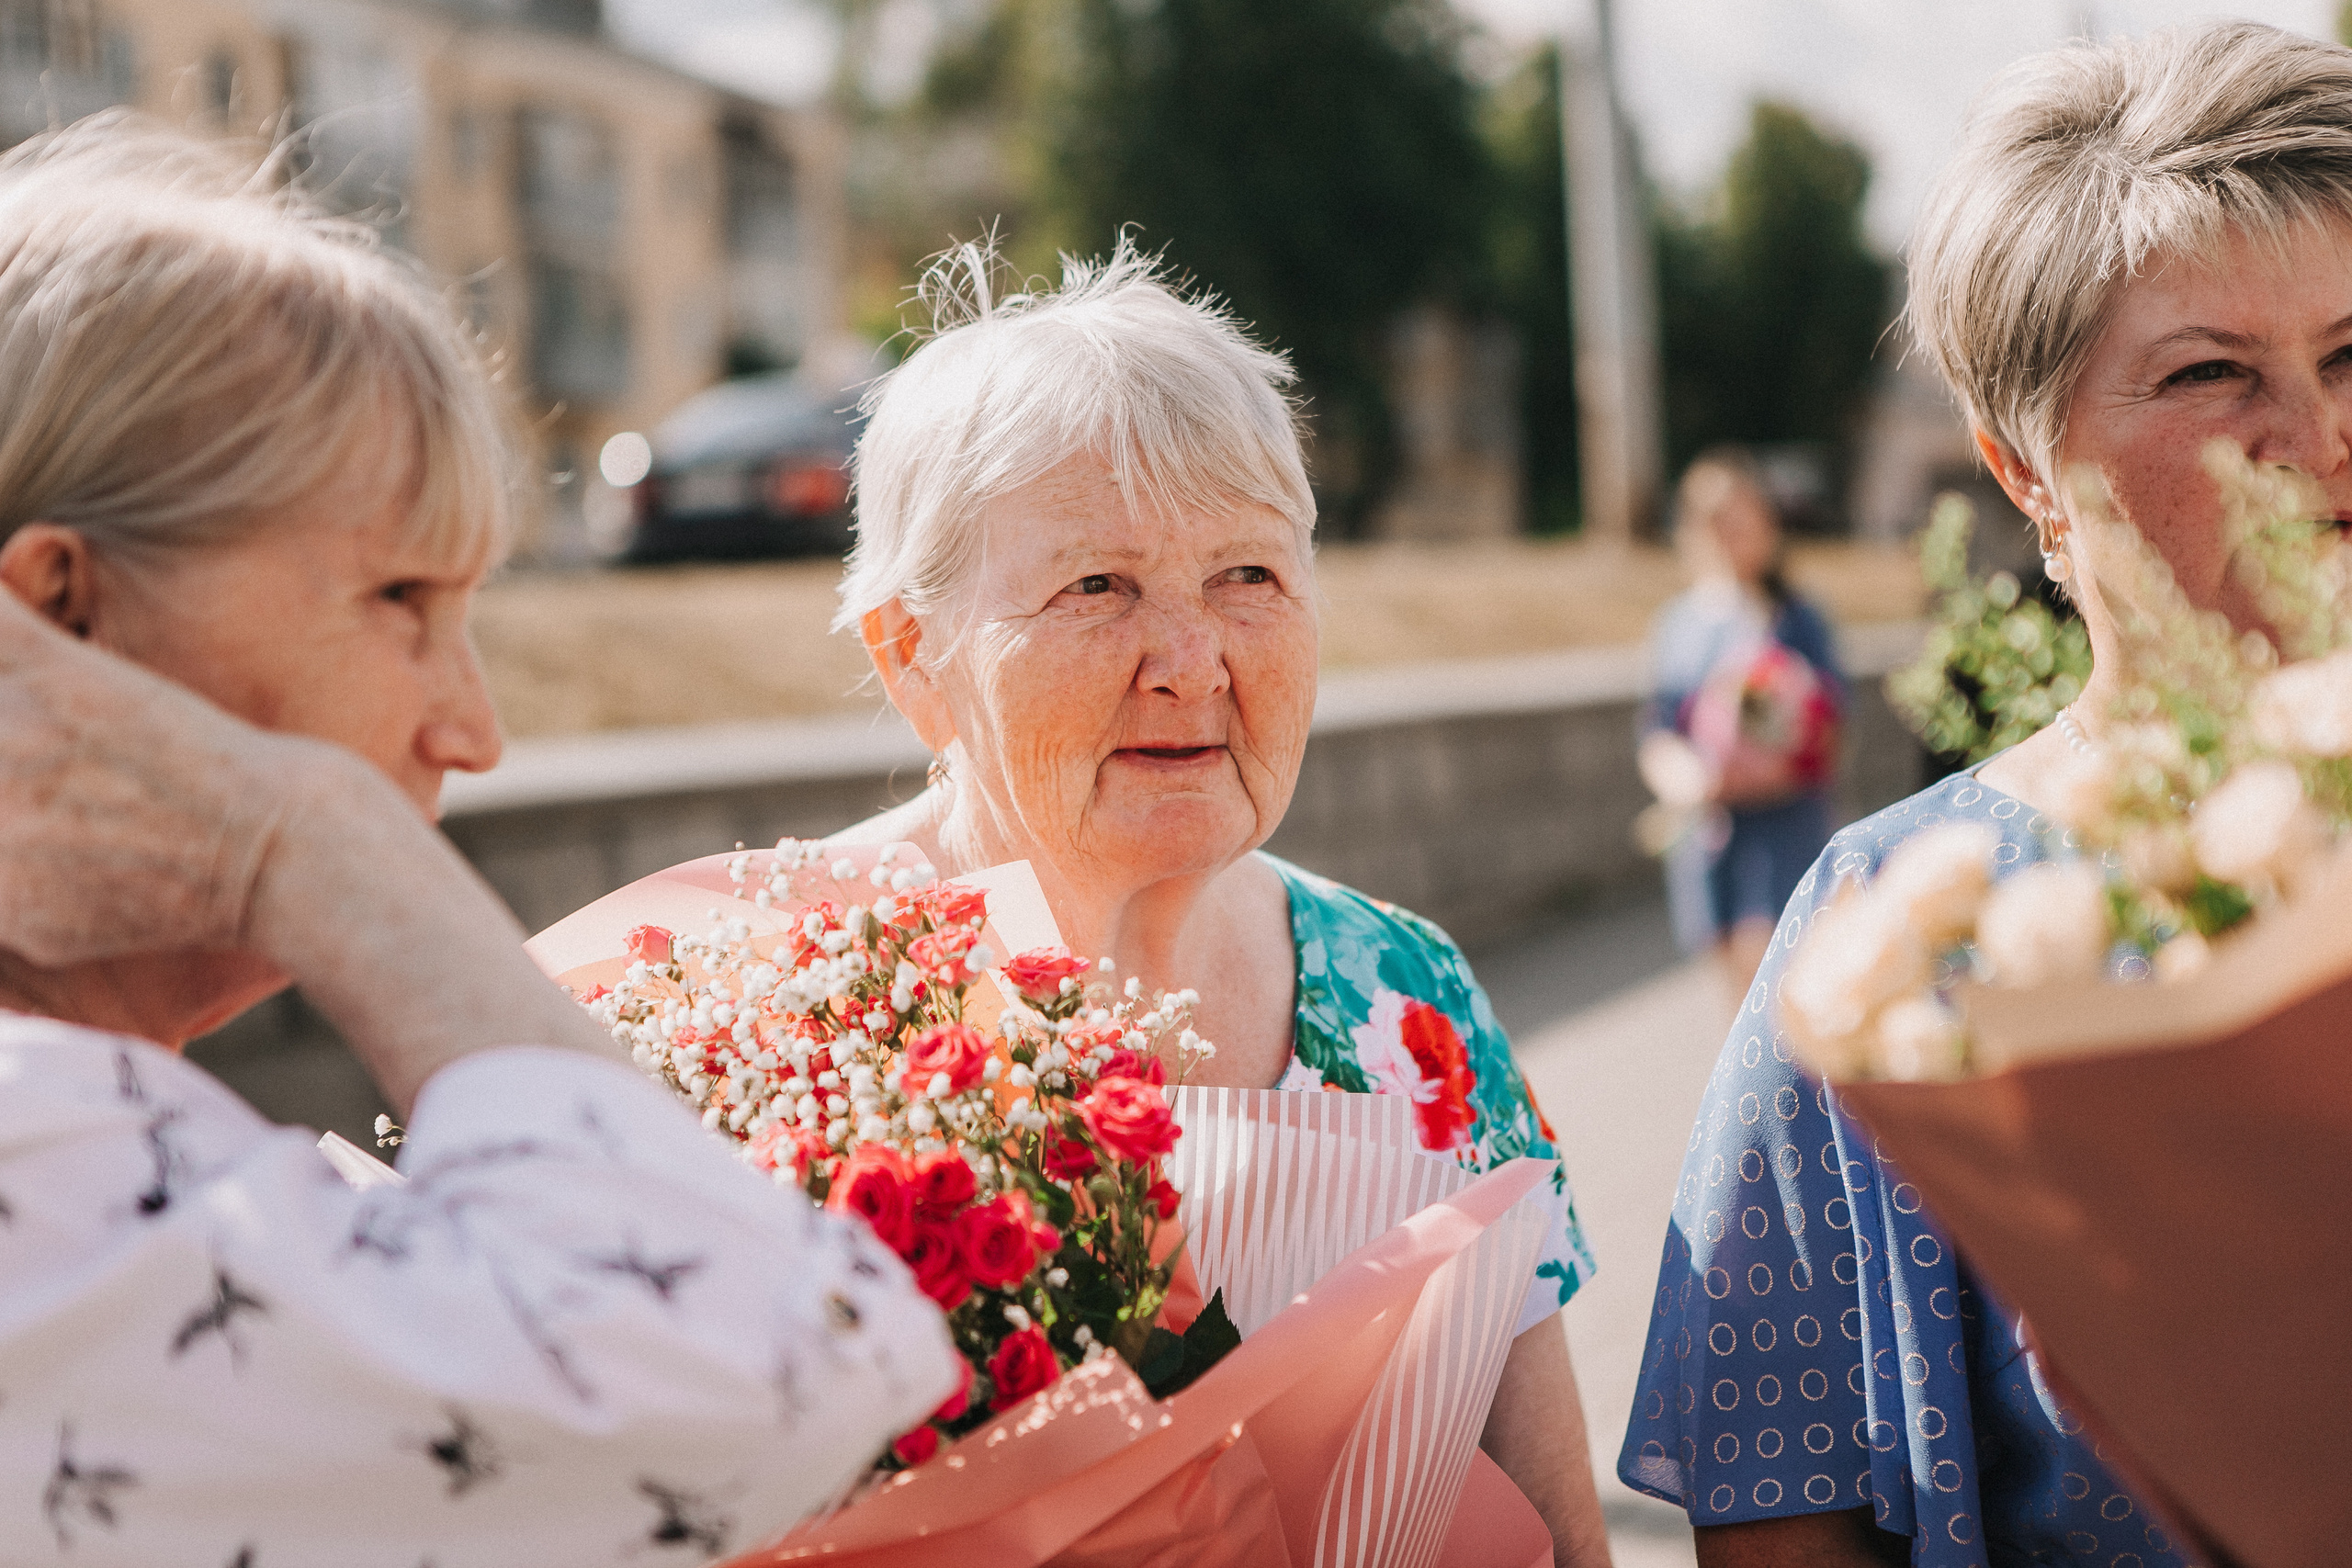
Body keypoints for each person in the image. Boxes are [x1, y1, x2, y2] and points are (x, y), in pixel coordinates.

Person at [0, 117, 956, 1566]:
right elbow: (773, 1357)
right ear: (64, 620)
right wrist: (308, 840)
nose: (471, 726)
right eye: (399, 598)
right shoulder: (46, 1156)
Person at [1620, 22, 2352, 1566]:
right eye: (2214, 371)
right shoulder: (1897, 930)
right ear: (2021, 467)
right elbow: (1783, 1518)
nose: (2321, 436)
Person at [823, 239, 1613, 1566]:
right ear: (916, 657)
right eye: (1097, 585)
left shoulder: (1408, 992)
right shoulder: (779, 1003)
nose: (1193, 663)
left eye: (1250, 575)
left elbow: (1559, 1534)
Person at [1640, 450, 1844, 998]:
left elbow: (1830, 721)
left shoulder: (1797, 618)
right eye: (1714, 521)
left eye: (1740, 518)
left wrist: (1772, 765)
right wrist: (1683, 776)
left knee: (1782, 980)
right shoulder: (1680, 624)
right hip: (1711, 833)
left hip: (1785, 825)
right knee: (1734, 991)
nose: (1728, 535)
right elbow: (1657, 728)